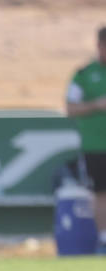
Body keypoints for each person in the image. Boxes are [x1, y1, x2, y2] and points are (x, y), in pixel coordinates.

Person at [65, 26, 106, 253]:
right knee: (101, 193)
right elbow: (71, 108)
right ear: (99, 46)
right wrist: (96, 105)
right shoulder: (84, 75)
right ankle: (104, 240)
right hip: (96, 146)